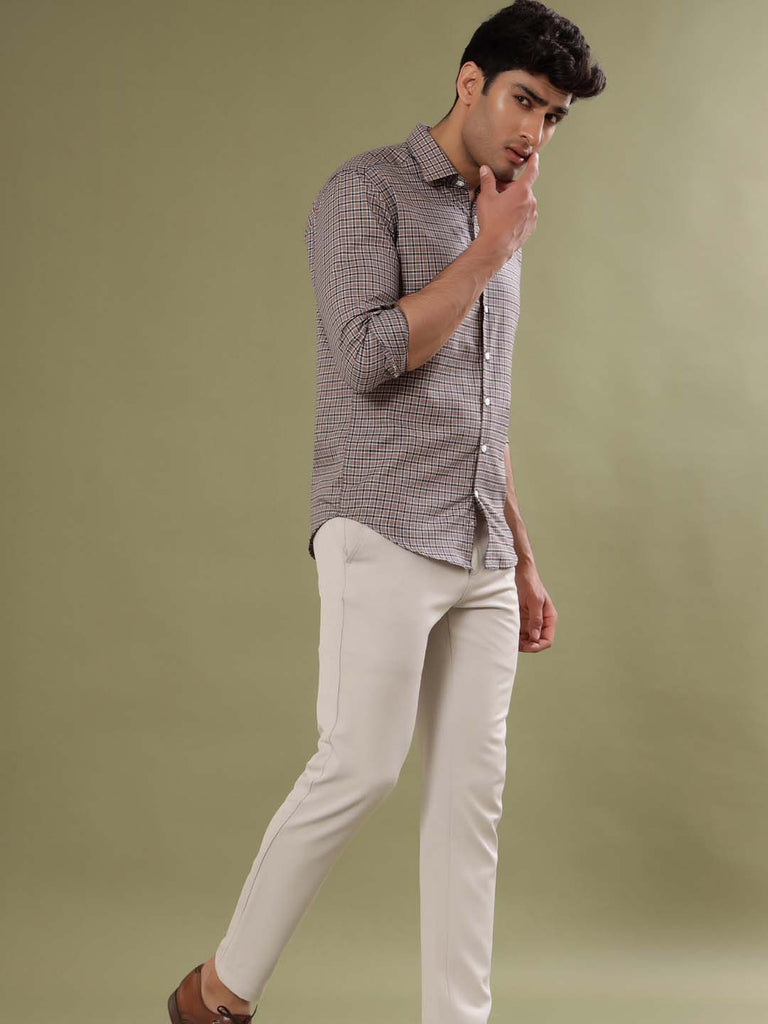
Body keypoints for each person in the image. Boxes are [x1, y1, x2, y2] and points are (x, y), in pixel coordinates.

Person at [167, 2, 606, 1022]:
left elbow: (486, 402)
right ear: (470, 82)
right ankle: (220, 988)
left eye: (554, 117)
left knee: (469, 803)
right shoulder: (365, 192)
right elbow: (368, 357)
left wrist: (523, 555)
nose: (536, 132)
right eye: (524, 101)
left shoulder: (500, 213)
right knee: (359, 766)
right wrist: (490, 251)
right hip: (381, 523)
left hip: (479, 545)